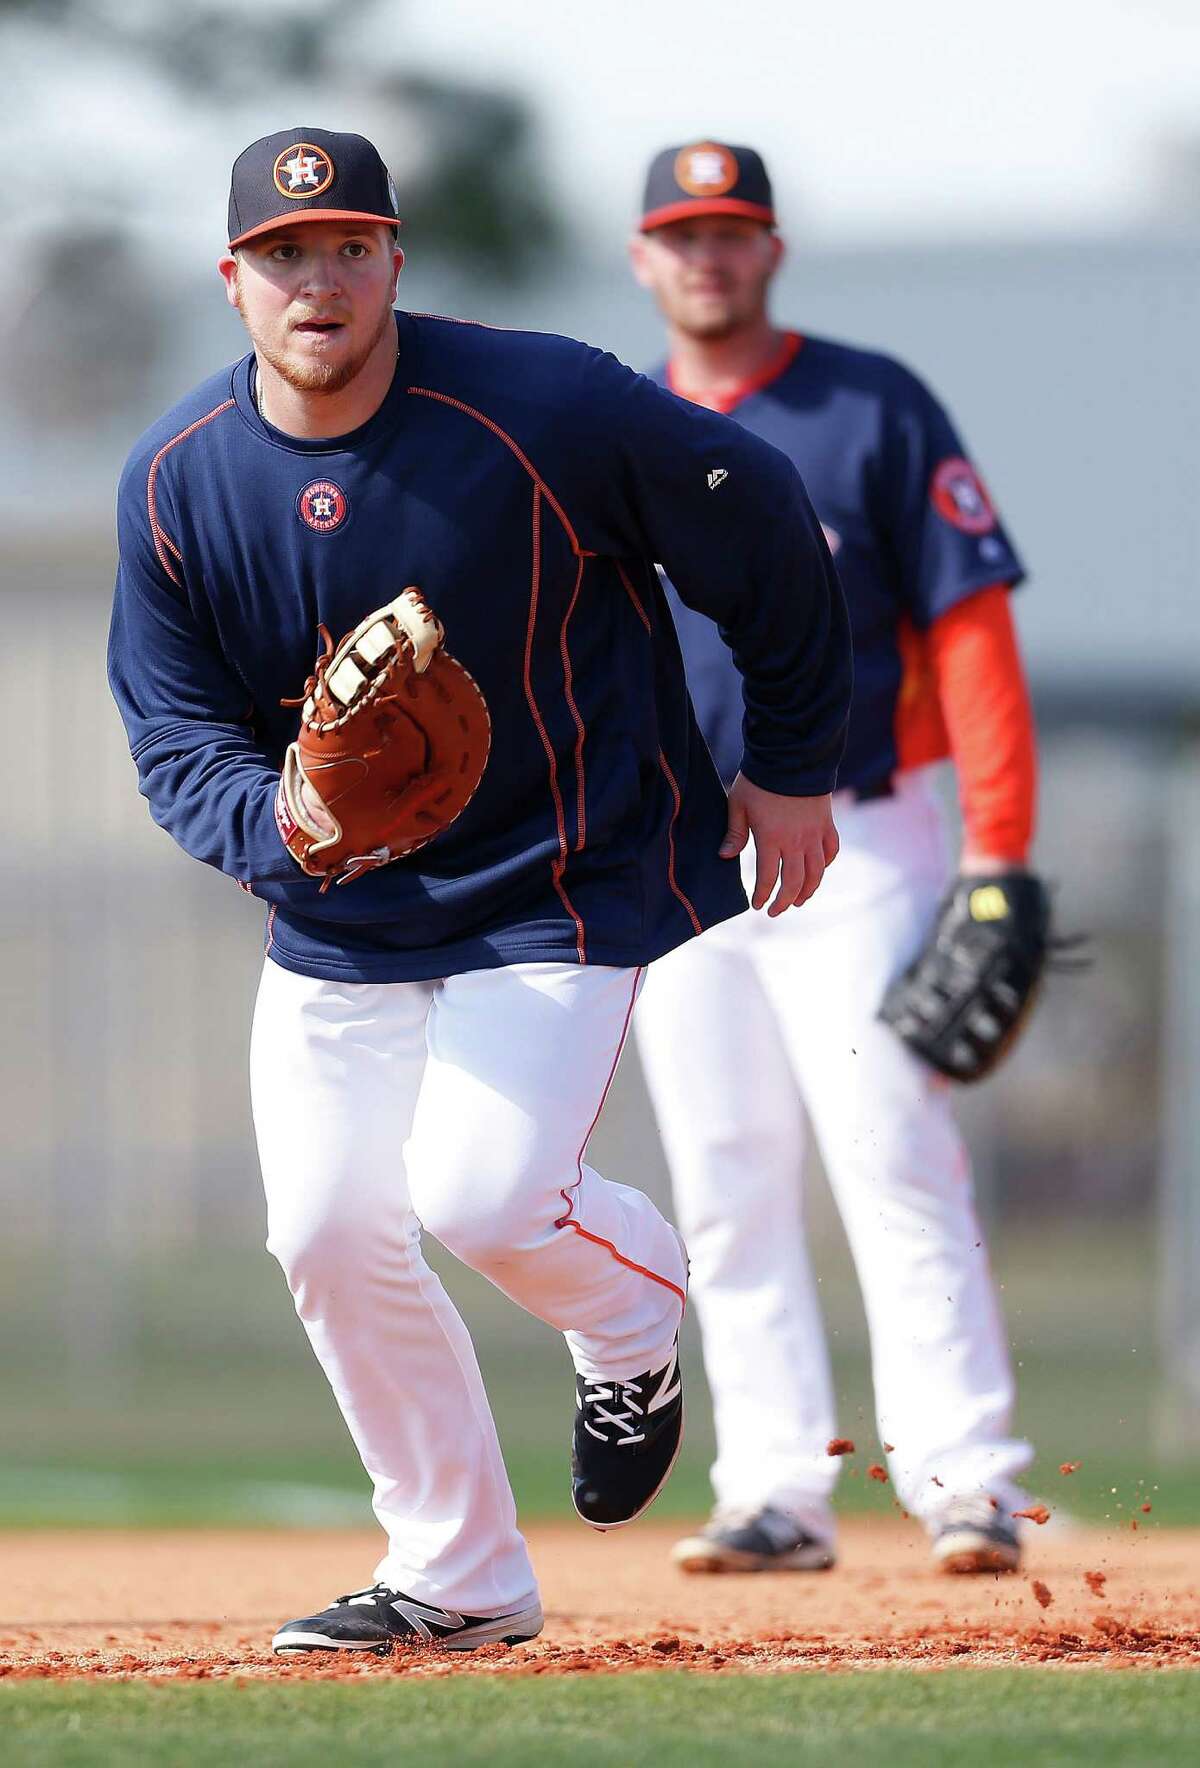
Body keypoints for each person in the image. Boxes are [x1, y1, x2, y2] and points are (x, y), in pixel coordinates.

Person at [107, 127, 851, 1654]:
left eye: (351, 247)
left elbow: (759, 515)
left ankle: (633, 1318)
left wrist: (790, 759)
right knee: (321, 1230)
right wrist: (285, 822)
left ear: (395, 262)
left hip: (552, 873)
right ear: (232, 279)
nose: (320, 280)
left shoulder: (540, 404)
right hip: (336, 917)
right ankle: (455, 1575)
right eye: (286, 256)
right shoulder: (180, 484)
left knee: (482, 1194)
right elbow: (173, 732)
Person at [629, 141, 1037, 1576]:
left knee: (892, 1145)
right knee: (725, 1171)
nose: (709, 255)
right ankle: (776, 1489)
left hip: (863, 829)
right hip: (686, 858)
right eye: (682, 233)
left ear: (774, 248)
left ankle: (963, 1478)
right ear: (642, 258)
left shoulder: (868, 405)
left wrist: (1001, 857)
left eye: (733, 229)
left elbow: (971, 629)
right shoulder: (619, 424)